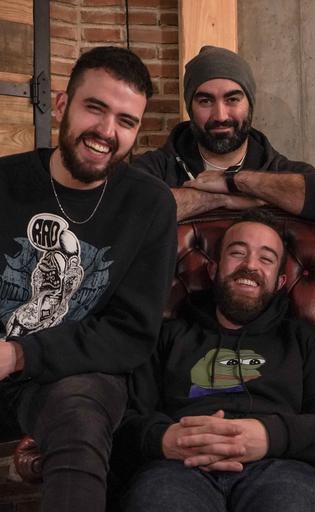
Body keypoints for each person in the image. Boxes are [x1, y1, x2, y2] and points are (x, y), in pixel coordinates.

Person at [0, 46, 176, 512]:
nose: (106, 131)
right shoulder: (5, 182)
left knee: (78, 413)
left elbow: (130, 333)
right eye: (95, 108)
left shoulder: (149, 205)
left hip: (72, 375)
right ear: (62, 105)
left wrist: (17, 354)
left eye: (126, 121)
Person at [116, 209, 315, 512]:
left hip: (283, 468)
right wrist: (163, 438)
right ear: (213, 269)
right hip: (178, 468)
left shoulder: (311, 343)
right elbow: (122, 418)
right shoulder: (166, 337)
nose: (250, 265)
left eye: (266, 258)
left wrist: (269, 436)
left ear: (280, 281)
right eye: (237, 253)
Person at [134, 45, 315, 222]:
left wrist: (237, 182)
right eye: (205, 101)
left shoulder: (275, 169)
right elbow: (127, 212)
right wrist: (220, 198)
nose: (220, 115)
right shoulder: (158, 167)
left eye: (232, 99)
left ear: (250, 104)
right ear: (191, 108)